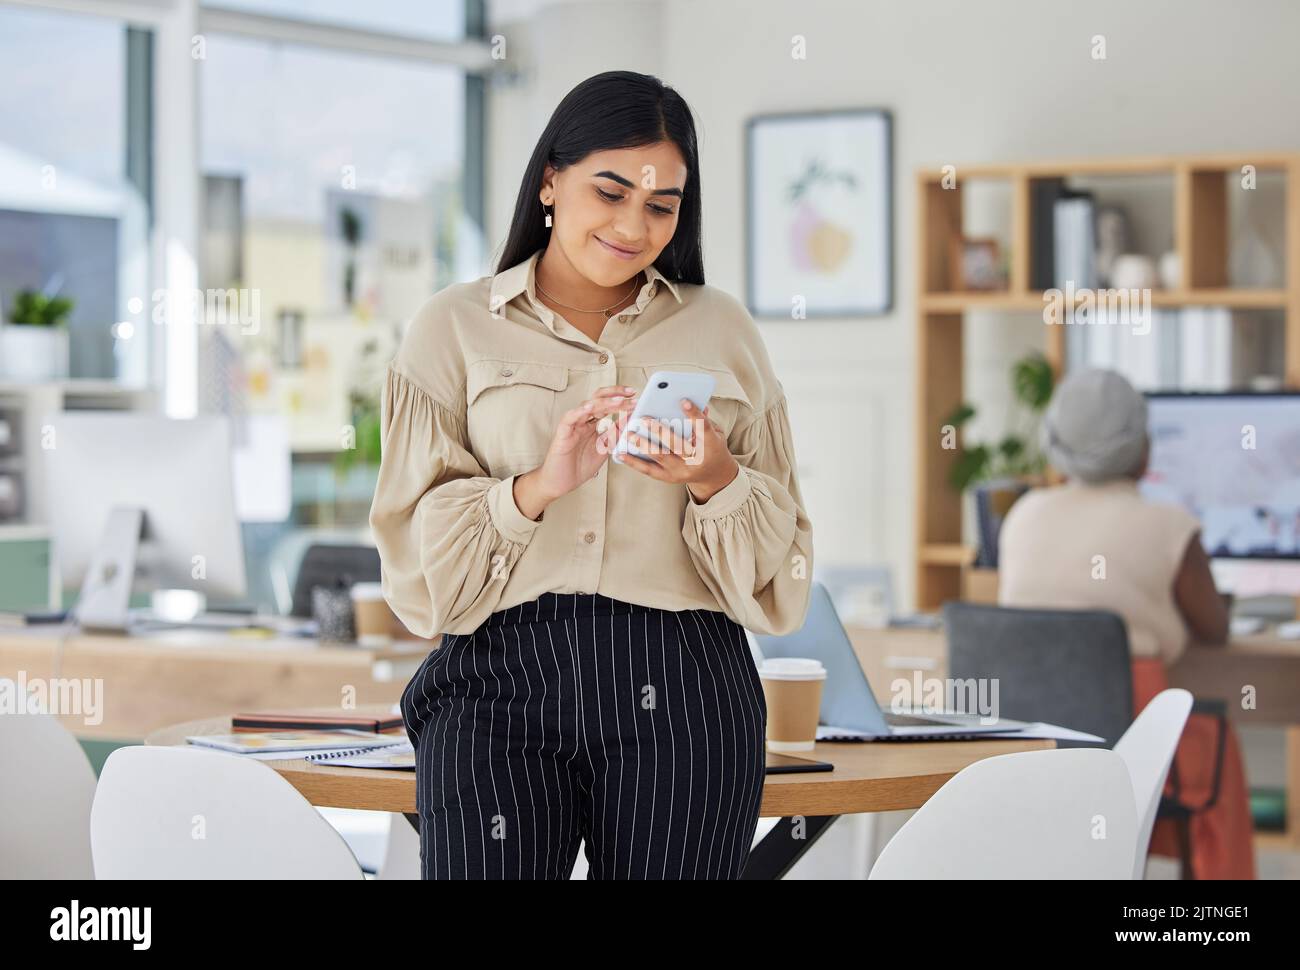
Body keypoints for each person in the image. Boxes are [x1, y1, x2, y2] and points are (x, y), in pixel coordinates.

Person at [368, 71, 814, 880]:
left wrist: (714, 475)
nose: (632, 226)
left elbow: (784, 576)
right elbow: (413, 568)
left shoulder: (722, 330)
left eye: (660, 205)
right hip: (496, 684)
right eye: (609, 192)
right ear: (549, 179)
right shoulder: (452, 329)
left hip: (686, 689)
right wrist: (535, 487)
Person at [999, 368, 1254, 879]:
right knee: (1220, 752)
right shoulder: (1169, 526)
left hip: (1029, 746)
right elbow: (1215, 630)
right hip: (1132, 738)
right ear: (1143, 451)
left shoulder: (1022, 515)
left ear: (1055, 445)